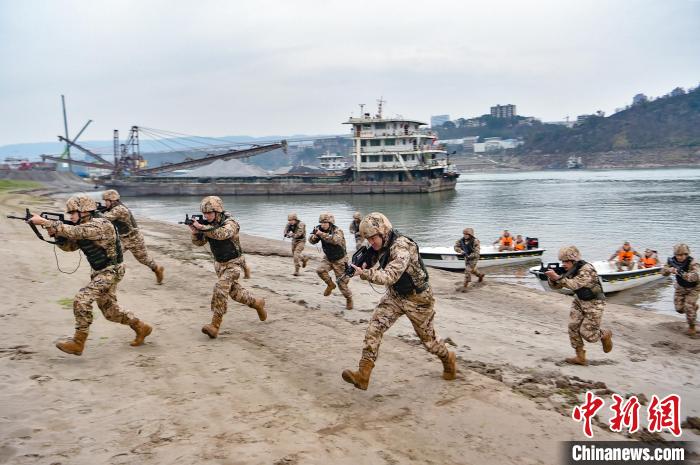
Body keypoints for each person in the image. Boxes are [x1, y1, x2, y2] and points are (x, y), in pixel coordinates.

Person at [341, 212, 456, 390]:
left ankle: (448, 359)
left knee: (430, 343)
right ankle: (363, 375)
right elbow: (373, 259)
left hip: (418, 300)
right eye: (368, 239)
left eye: (372, 238)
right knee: (374, 328)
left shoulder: (401, 247)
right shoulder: (381, 244)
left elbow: (390, 275)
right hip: (395, 296)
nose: (371, 242)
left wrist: (364, 273)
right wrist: (362, 264)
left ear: (383, 231)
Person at [28, 195, 152, 355]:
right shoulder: (82, 225)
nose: (70, 216)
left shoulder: (101, 224)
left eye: (73, 212)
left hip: (111, 271)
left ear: (84, 211)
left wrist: (46, 222)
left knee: (82, 299)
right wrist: (57, 236)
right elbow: (70, 247)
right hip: (100, 271)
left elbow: (77, 232)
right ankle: (141, 327)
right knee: (109, 311)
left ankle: (78, 343)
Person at [189, 196, 266, 339]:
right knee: (235, 293)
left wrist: (202, 227)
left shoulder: (231, 223)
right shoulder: (208, 224)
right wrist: (195, 233)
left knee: (220, 287)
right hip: (219, 265)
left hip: (234, 263)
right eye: (204, 213)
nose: (206, 216)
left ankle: (215, 326)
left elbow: (223, 234)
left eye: (209, 213)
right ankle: (257, 303)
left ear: (218, 211)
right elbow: (199, 243)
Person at [545, 246, 613, 365]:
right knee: (573, 327)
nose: (564, 264)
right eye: (562, 261)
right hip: (579, 300)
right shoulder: (569, 269)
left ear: (574, 260)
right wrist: (552, 279)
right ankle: (580, 357)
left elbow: (575, 285)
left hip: (595, 303)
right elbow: (556, 287)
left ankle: (604, 335)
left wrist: (558, 278)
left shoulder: (587, 269)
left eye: (566, 261)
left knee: (588, 334)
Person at [101, 189, 164, 284]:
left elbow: (104, 219)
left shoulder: (120, 209)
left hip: (134, 239)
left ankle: (157, 269)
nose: (105, 203)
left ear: (112, 200)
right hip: (123, 239)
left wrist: (93, 212)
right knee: (111, 256)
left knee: (144, 259)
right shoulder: (114, 208)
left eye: (106, 201)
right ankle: (106, 278)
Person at [309, 212, 353, 310]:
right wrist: (315, 237)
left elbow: (335, 240)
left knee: (342, 284)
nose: (323, 224)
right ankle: (330, 284)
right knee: (320, 270)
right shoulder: (318, 229)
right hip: (328, 258)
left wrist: (321, 234)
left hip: (340, 259)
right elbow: (311, 241)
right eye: (321, 222)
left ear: (330, 223)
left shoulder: (338, 231)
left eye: (325, 222)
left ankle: (349, 298)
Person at [661, 243, 698, 336]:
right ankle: (693, 308)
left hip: (693, 288)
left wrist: (682, 273)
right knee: (679, 309)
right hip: (680, 286)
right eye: (679, 255)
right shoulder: (671, 261)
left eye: (685, 254)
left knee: (689, 307)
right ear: (675, 254)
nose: (682, 257)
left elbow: (696, 276)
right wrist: (669, 270)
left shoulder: (692, 262)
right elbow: (662, 272)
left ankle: (692, 327)